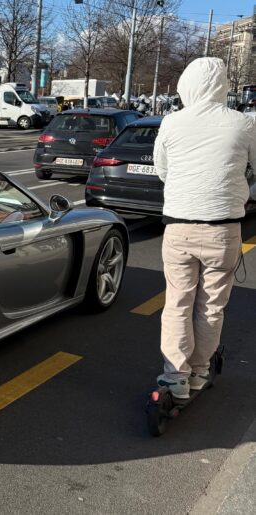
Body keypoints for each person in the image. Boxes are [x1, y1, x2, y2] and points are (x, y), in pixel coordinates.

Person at [153, 57, 256, 399]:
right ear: (224, 86)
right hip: (223, 230)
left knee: (178, 303)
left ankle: (175, 376)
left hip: (179, 228)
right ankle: (199, 371)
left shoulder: (171, 122)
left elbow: (162, 170)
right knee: (211, 306)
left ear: (186, 85)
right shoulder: (243, 123)